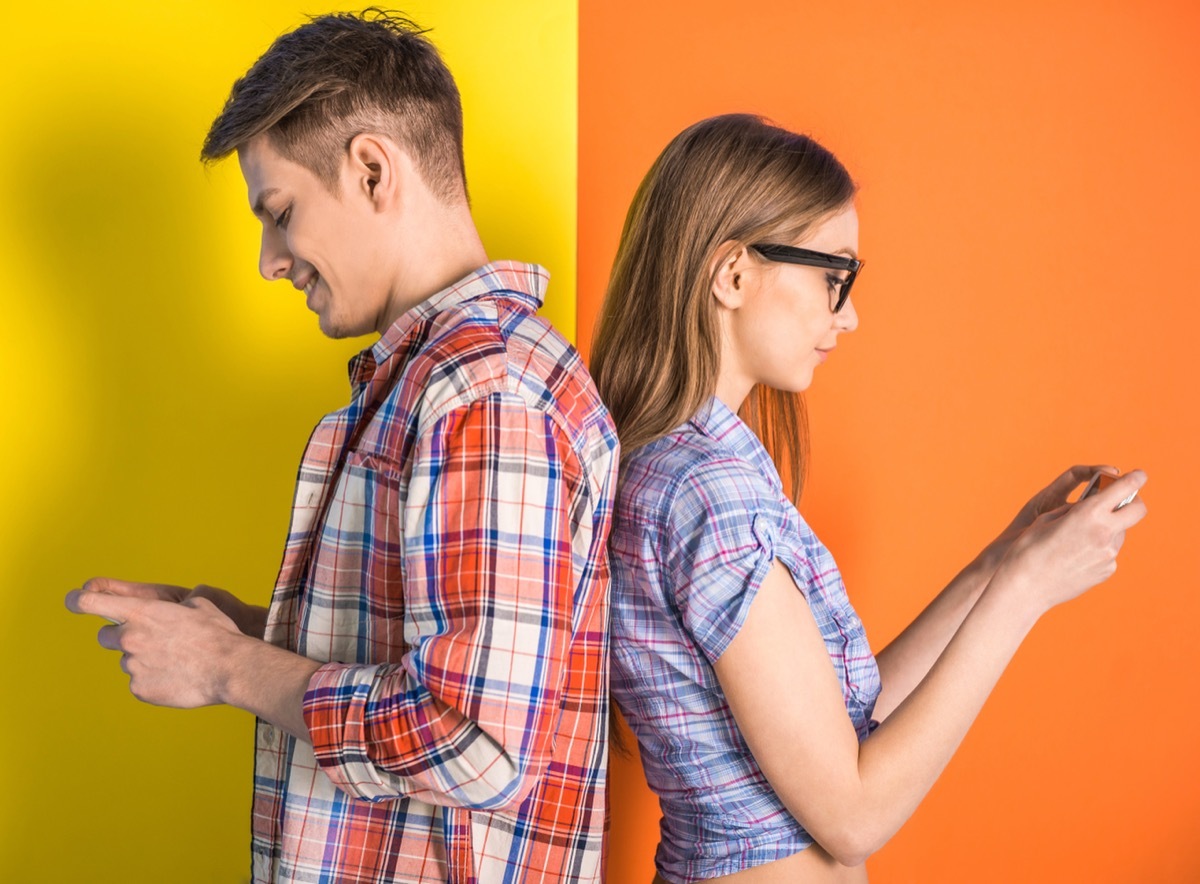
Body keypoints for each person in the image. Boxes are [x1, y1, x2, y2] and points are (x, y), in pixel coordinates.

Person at [65, 11, 618, 883]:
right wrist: (241, 629)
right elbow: (427, 656)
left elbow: (474, 739)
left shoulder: (487, 394)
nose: (269, 260)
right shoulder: (439, 382)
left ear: (370, 170)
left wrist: (226, 667)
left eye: (280, 213)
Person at [589, 113, 1147, 883]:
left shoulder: (684, 465)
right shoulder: (708, 492)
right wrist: (1025, 592)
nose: (848, 313)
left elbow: (839, 727)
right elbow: (853, 816)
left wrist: (1005, 558)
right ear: (734, 275)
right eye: (834, 276)